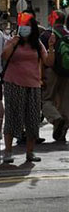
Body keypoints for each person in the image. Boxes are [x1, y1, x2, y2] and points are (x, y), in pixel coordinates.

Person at [2, 14, 55, 163]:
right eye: (22, 25)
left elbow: (48, 62)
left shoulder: (37, 44)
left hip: (33, 85)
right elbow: (4, 56)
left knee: (32, 118)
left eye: (27, 26)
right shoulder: (13, 41)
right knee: (12, 116)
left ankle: (30, 152)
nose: (24, 28)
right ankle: (8, 151)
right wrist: (13, 44)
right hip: (13, 84)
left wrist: (51, 47)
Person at [42, 12, 69, 142]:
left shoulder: (47, 35)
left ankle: (56, 119)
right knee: (64, 102)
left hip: (51, 72)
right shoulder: (67, 34)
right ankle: (62, 133)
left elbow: (40, 56)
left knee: (45, 100)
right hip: (67, 72)